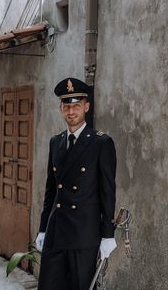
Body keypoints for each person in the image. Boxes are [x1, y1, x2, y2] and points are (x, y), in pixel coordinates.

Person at [36, 77, 117, 290]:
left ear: (86, 107)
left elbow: (108, 192)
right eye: (66, 106)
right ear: (61, 108)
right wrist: (43, 228)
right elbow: (51, 191)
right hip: (56, 231)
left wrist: (108, 235)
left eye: (76, 106)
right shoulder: (56, 142)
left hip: (84, 233)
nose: (71, 112)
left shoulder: (101, 142)